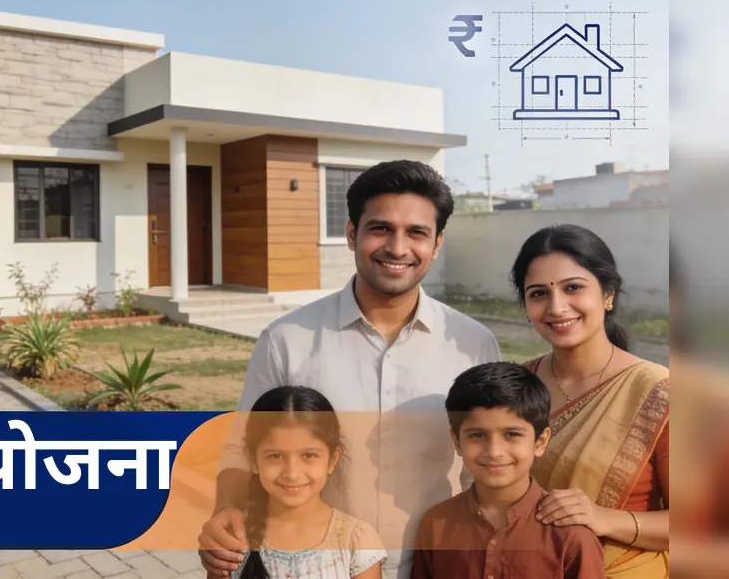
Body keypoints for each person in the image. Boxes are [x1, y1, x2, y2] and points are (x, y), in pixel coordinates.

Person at [198, 160, 502, 579]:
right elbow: (240, 445)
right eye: (380, 228)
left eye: (416, 232)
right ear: (351, 233)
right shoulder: (288, 339)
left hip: (438, 564)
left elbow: (483, 463)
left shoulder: (473, 343)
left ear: (437, 243)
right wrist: (226, 510)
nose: (398, 248)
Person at [510, 224, 669, 577]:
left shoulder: (660, 392)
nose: (557, 306)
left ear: (608, 294)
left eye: (573, 288)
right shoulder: (516, 385)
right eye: (538, 293)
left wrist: (604, 519)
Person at [411, 361, 606, 578]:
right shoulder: (436, 525)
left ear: (540, 442)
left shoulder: (570, 535)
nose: (494, 451)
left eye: (511, 434)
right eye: (477, 435)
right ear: (457, 441)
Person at [232, 386, 387, 579]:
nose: (292, 473)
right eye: (276, 456)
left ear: (332, 459)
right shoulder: (232, 542)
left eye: (309, 455)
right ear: (253, 460)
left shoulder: (357, 541)